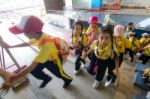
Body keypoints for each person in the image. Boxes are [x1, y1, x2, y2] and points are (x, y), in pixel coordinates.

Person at [1, 15, 73, 90]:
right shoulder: (38, 36)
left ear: (31, 32)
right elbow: (27, 43)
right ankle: (46, 78)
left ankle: (68, 80)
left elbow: (31, 67)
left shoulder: (47, 45)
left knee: (59, 74)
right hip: (45, 58)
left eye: (23, 32)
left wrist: (13, 79)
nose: (23, 34)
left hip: (54, 60)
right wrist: (11, 46)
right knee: (34, 70)